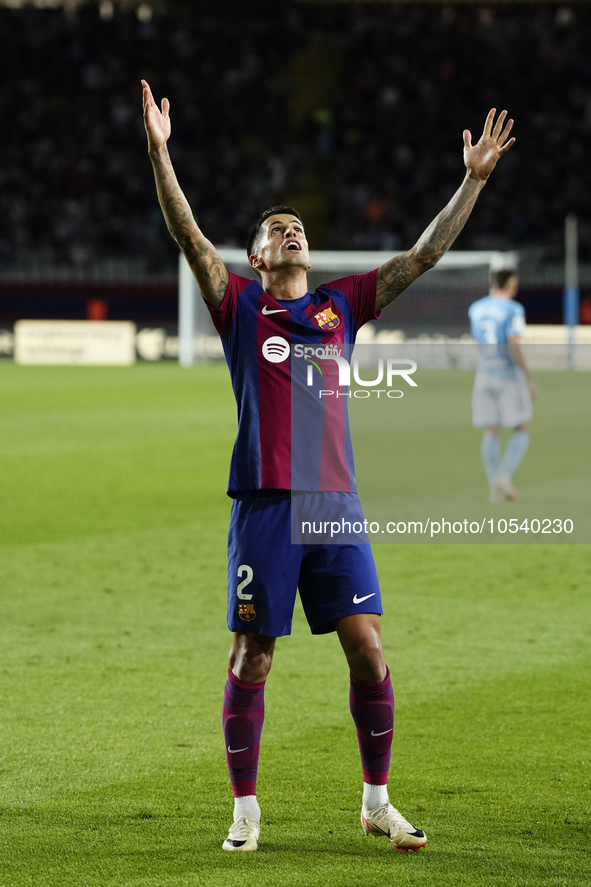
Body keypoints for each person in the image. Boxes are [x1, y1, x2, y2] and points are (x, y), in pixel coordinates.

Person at [142, 79, 515, 853]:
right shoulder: (239, 305)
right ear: (255, 256)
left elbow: (425, 253)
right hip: (265, 505)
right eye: (278, 230)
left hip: (335, 503)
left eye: (298, 226)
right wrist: (159, 150)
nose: (292, 233)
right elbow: (187, 235)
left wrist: (471, 180)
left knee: (370, 647)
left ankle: (375, 799)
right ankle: (245, 809)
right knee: (252, 653)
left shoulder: (340, 306)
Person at [469, 269, 537, 503]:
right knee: (522, 427)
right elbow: (513, 343)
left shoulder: (475, 308)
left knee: (491, 429)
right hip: (507, 375)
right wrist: (528, 376)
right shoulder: (513, 309)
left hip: (484, 373)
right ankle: (503, 476)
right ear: (511, 285)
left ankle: (494, 484)